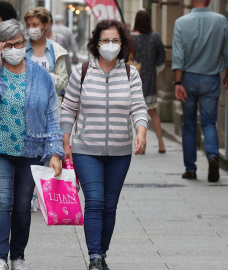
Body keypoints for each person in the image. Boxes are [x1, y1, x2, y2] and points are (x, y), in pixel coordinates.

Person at [60, 20, 148, 270]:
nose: (110, 45)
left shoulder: (131, 73)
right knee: (95, 201)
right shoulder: (82, 71)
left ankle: (102, 252)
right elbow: (68, 108)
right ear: (96, 43)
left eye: (115, 40)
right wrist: (65, 140)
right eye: (105, 40)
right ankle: (95, 257)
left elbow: (139, 107)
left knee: (110, 204)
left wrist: (141, 131)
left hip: (121, 151)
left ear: (123, 44)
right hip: (86, 149)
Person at [0, 19, 64, 270]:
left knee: (23, 205)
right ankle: (0, 259)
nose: (15, 49)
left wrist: (54, 152)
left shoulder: (41, 75)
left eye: (19, 43)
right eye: (9, 45)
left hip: (31, 149)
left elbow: (51, 115)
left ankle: (18, 257)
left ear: (25, 42)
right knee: (2, 202)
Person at [172, 0, 228, 182]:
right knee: (209, 123)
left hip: (188, 79)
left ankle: (190, 169)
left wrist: (177, 82)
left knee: (189, 125)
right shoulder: (221, 20)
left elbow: (178, 56)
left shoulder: (181, 23)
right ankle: (213, 156)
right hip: (211, 78)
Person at [132, 10, 166, 153]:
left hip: (134, 79)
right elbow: (162, 56)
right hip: (150, 78)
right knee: (153, 112)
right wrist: (156, 67)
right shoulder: (155, 37)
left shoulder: (131, 37)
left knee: (136, 113)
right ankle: (161, 143)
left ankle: (140, 145)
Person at [24, 8, 68, 91]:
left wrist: (46, 75)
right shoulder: (21, 47)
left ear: (46, 25)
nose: (31, 28)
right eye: (28, 25)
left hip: (49, 102)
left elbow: (64, 81)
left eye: (35, 25)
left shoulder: (56, 50)